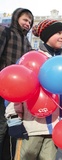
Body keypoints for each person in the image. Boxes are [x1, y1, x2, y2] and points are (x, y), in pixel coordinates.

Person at [5, 19, 62, 160]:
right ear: (46, 35)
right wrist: (13, 119)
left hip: (55, 129)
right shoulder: (29, 59)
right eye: (58, 32)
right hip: (31, 128)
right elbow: (13, 88)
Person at [0, 8, 34, 160]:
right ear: (16, 18)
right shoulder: (5, 32)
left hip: (18, 91)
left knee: (11, 128)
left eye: (30, 22)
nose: (27, 24)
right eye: (25, 20)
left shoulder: (26, 41)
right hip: (3, 87)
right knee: (1, 127)